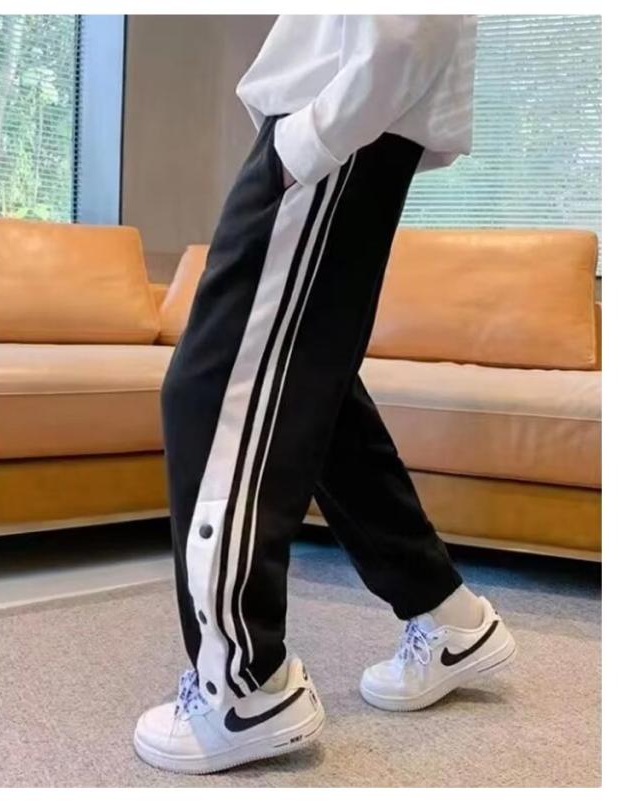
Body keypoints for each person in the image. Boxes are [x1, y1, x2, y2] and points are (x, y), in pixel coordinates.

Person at [134, 14, 516, 775]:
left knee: (212, 387)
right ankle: (450, 616)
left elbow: (405, 27)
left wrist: (308, 140)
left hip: (333, 127)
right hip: (343, 123)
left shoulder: (337, 120)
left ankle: (242, 689)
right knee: (314, 395)